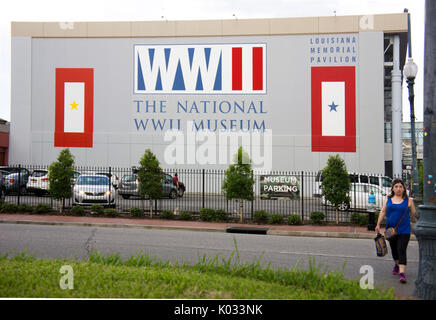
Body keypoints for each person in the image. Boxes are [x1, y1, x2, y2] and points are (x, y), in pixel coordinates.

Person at [375, 179, 417, 284]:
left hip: (404, 230)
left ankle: (402, 273)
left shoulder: (409, 201)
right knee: (394, 249)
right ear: (393, 189)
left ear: (404, 189)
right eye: (396, 186)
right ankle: (396, 264)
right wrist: (378, 224)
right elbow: (383, 211)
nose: (398, 189)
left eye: (400, 187)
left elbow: (413, 215)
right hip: (390, 230)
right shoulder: (388, 199)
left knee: (401, 249)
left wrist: (418, 224)